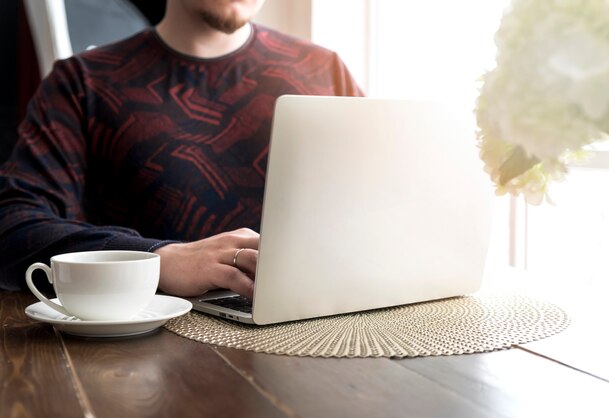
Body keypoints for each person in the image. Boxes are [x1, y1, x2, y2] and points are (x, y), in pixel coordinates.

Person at [0, 0, 363, 298]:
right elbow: (13, 223)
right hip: (144, 362)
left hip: (319, 333)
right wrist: (159, 259)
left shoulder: (323, 71)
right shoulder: (83, 84)